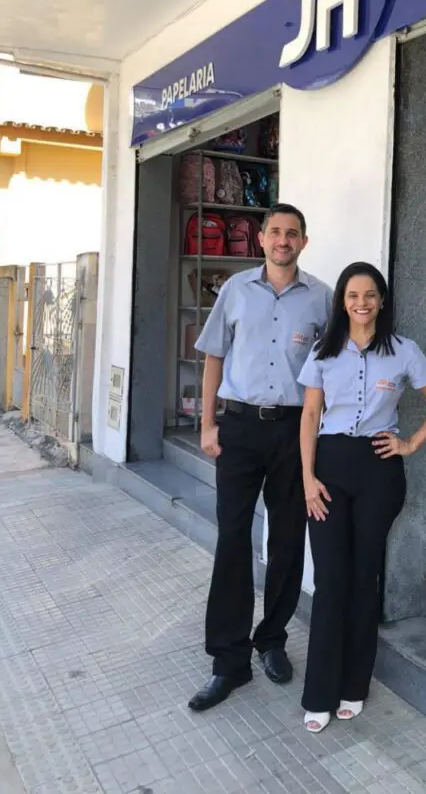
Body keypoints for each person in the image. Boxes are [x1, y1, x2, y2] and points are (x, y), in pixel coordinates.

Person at [297, 262, 426, 732]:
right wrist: (306, 477)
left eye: (369, 295)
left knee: (365, 579)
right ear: (341, 301)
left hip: (379, 471)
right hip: (328, 468)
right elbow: (309, 416)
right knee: (330, 582)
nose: (361, 303)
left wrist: (410, 444)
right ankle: (319, 692)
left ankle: (354, 685)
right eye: (352, 296)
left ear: (382, 300)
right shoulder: (324, 350)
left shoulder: (403, 351)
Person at [188, 203, 333, 712]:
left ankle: (271, 640)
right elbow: (213, 357)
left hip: (294, 431)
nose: (282, 240)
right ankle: (228, 662)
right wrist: (208, 423)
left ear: (303, 241)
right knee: (232, 539)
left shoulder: (321, 298)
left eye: (292, 233)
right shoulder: (234, 291)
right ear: (262, 238)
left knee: (289, 539)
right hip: (242, 426)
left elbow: (331, 369)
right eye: (275, 231)